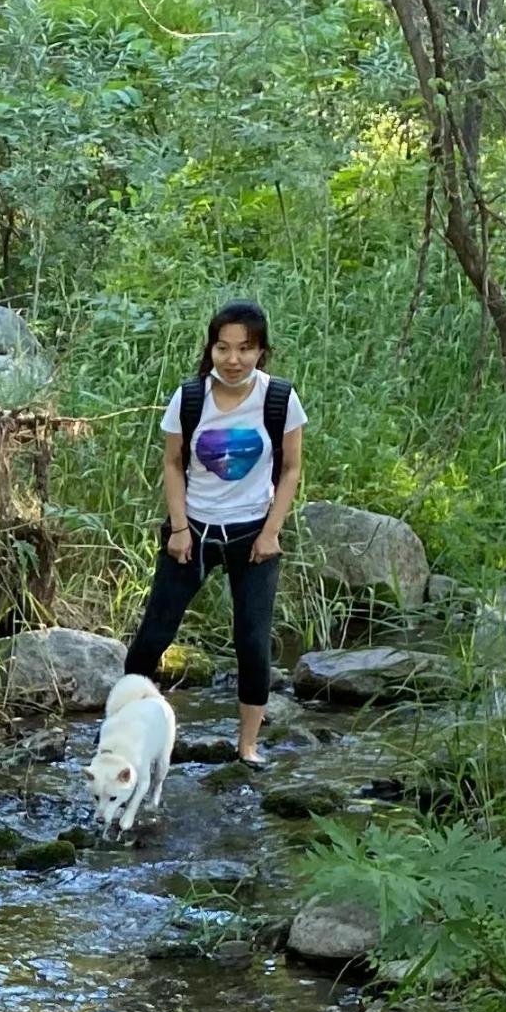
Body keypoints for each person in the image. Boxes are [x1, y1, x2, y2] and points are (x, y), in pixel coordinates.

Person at [126, 299, 306, 765]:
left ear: (262, 351)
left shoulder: (279, 398)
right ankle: (124, 730)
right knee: (153, 637)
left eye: (245, 349)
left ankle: (247, 745)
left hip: (254, 536)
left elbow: (290, 470)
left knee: (252, 641)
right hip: (195, 532)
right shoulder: (189, 398)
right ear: (211, 348)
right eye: (223, 347)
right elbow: (171, 462)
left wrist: (272, 531)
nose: (233, 359)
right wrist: (180, 528)